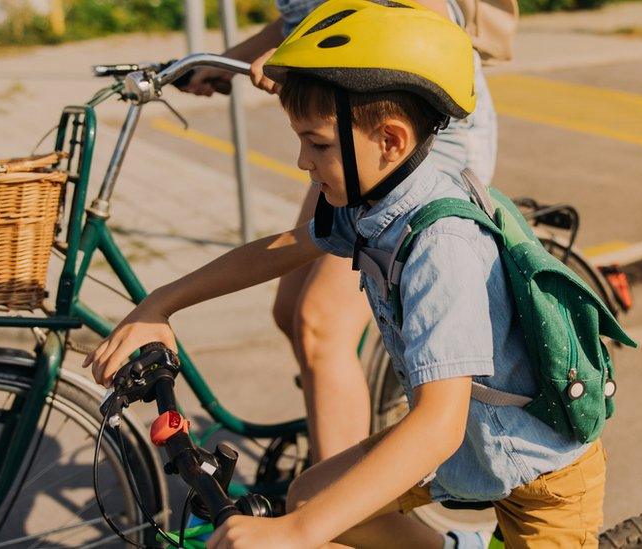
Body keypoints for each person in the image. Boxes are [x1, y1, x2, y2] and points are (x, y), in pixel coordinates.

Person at [84, 2, 604, 547]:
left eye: (319, 144)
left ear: (392, 141)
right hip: (467, 448)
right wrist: (159, 305)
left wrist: (299, 534)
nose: (303, 163)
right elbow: (278, 249)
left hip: (537, 473)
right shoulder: (375, 201)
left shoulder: (440, 244)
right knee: (311, 493)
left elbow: (437, 425)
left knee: (310, 516)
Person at [180, 0, 498, 463]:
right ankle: (333, 457)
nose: (299, 161)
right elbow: (303, 14)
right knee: (290, 310)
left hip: (417, 136)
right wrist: (226, 59)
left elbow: (423, 15)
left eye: (309, 147)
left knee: (321, 324)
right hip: (351, 135)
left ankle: (339, 512)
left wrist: (306, 58)